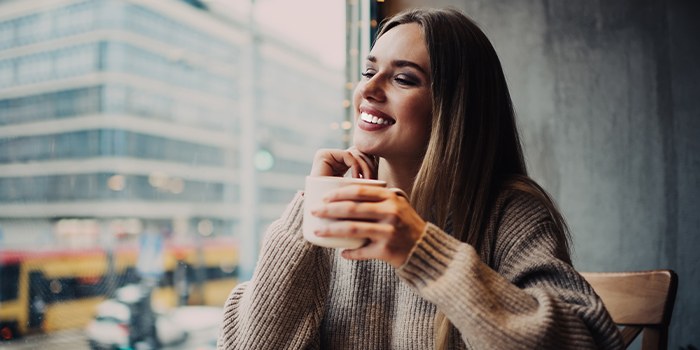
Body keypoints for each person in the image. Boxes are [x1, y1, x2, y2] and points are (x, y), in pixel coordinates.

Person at [218, 7, 624, 350]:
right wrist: (307, 208)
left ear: (454, 108)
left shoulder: (508, 212)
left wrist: (421, 249)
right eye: (368, 71)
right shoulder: (337, 207)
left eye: (403, 78)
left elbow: (585, 339)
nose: (369, 89)